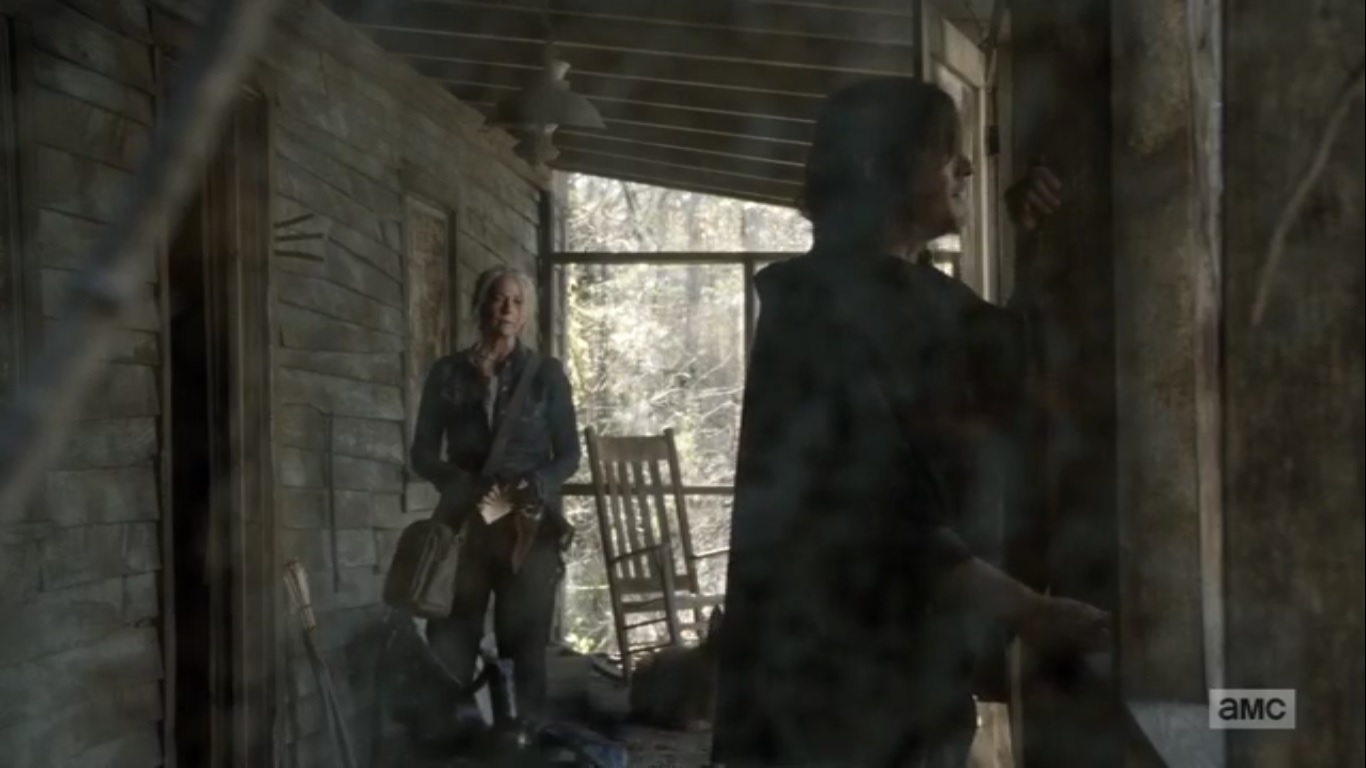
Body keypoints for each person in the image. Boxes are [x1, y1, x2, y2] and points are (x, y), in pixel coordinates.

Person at [710, 77, 1111, 767]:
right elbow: (880, 513)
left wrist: (1033, 238)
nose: (966, 167)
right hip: (835, 697)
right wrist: (1027, 610)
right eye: (945, 150)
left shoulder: (914, 298)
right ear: (877, 166)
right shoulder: (815, 314)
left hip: (907, 681)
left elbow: (1013, 375)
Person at [409, 265, 581, 725]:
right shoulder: (448, 374)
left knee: (523, 646)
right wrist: (461, 483)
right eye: (498, 298)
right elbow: (422, 455)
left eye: (517, 302)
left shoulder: (545, 375)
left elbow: (569, 455)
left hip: (526, 527)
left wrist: (535, 483)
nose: (507, 309)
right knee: (450, 642)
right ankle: (450, 741)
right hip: (464, 526)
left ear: (525, 315)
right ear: (480, 304)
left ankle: (522, 742)